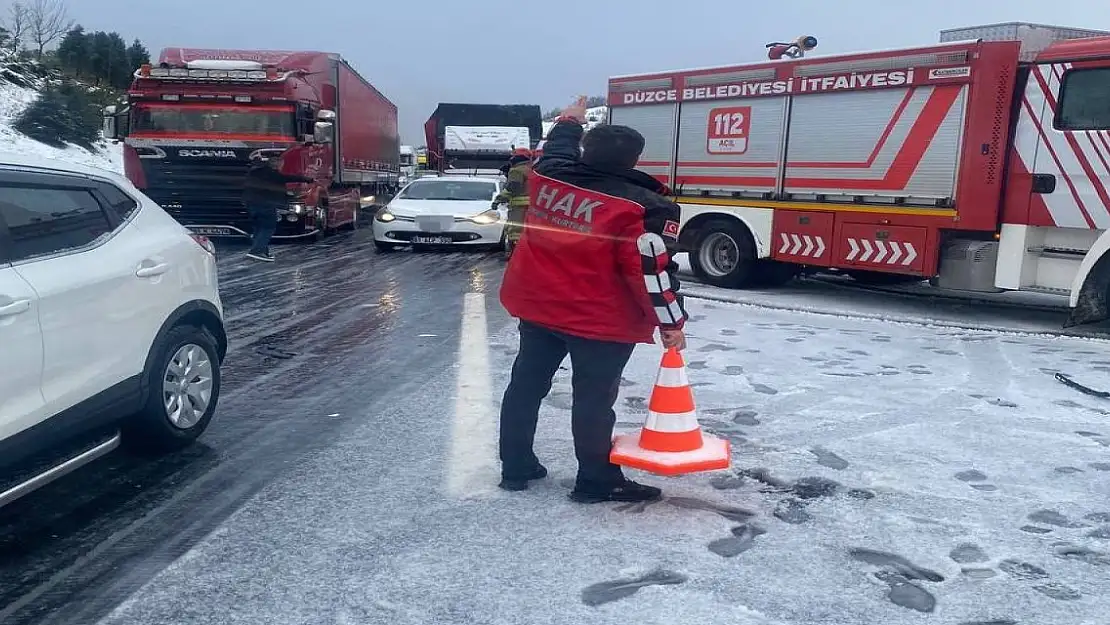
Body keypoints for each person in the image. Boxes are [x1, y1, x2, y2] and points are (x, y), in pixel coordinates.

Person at [497, 100, 689, 504]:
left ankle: (516, 466)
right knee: (594, 401)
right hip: (600, 320)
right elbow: (649, 272)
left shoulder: (549, 175)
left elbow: (557, 149)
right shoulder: (646, 207)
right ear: (634, 160)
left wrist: (569, 120)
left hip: (538, 306)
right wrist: (672, 321)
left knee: (525, 386)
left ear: (587, 150)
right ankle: (596, 480)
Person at [242, 154, 313, 262]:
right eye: (281, 164)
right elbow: (289, 178)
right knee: (268, 228)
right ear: (277, 164)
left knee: (259, 228)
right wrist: (307, 179)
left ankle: (263, 252)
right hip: (265, 205)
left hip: (251, 204)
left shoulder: (254, 173)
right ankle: (256, 251)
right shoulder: (274, 175)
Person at [493, 147, 533, 259]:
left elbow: (513, 188)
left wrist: (499, 199)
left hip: (518, 206)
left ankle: (516, 254)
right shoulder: (533, 169)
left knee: (514, 230)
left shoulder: (516, 170)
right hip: (532, 206)